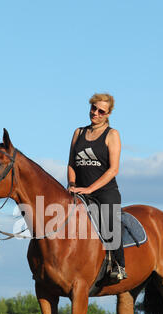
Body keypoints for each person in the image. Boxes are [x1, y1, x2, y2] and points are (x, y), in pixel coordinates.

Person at [67, 93, 127, 280]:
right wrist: (71, 184)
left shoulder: (112, 135)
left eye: (101, 111)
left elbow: (113, 169)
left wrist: (90, 189)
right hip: (78, 190)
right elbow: (71, 163)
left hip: (104, 192)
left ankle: (118, 265)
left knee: (110, 221)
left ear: (108, 114)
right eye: (94, 108)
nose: (96, 113)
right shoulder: (79, 132)